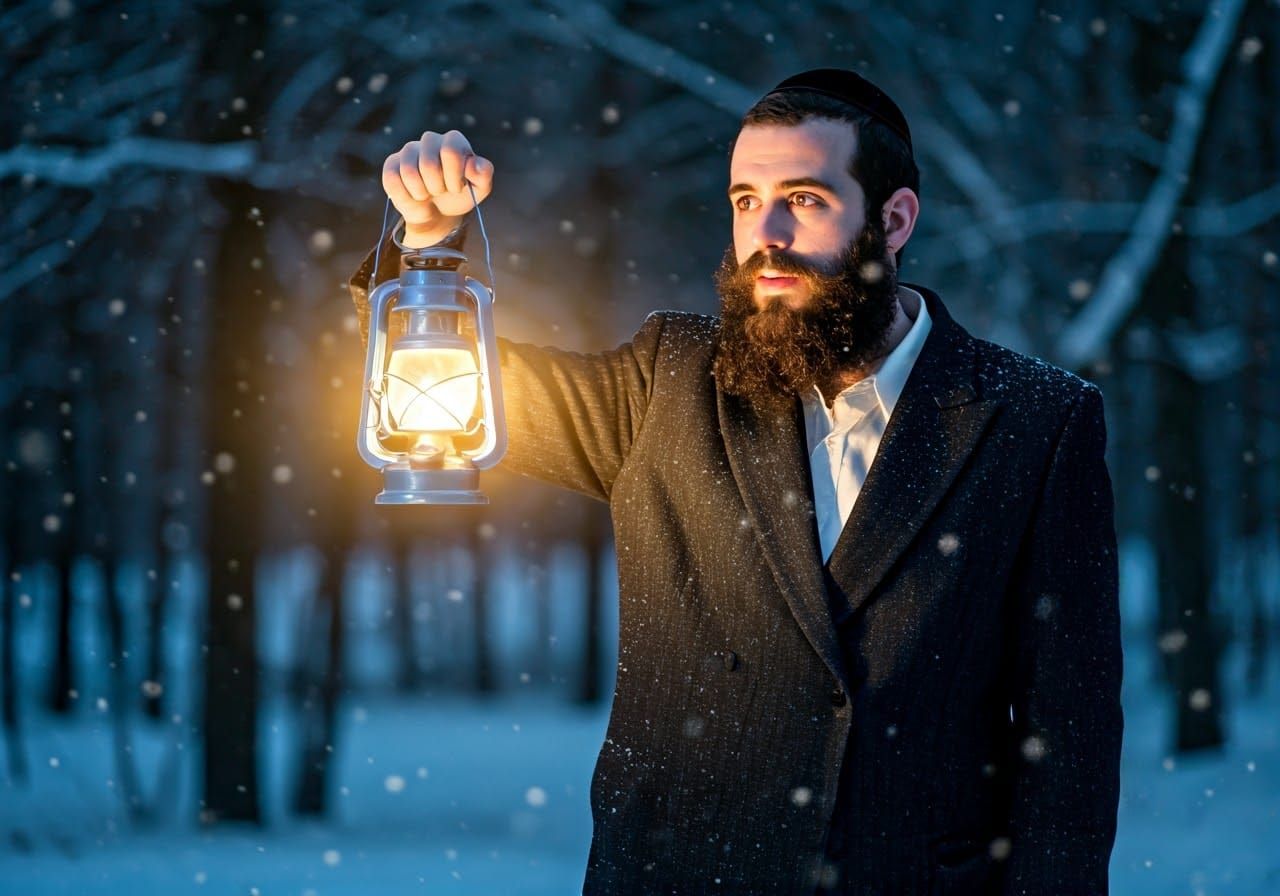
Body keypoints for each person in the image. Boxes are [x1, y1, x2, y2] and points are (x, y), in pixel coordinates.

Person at [350, 69, 1123, 896]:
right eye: (746, 200)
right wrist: (426, 247)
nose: (767, 234)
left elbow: (1069, 740)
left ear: (894, 220)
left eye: (805, 199)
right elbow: (422, 370)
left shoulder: (1034, 422)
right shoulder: (666, 383)